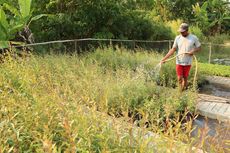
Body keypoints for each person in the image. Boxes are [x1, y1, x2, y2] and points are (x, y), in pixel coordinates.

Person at [160, 23, 201, 91]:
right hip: (179, 61)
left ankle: (183, 91)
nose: (181, 33)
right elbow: (173, 49)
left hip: (188, 62)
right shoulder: (178, 38)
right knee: (179, 78)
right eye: (180, 31)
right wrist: (164, 59)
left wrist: (193, 51)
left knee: (185, 78)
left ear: (187, 30)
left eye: (183, 31)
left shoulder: (193, 38)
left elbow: (199, 47)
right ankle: (180, 91)